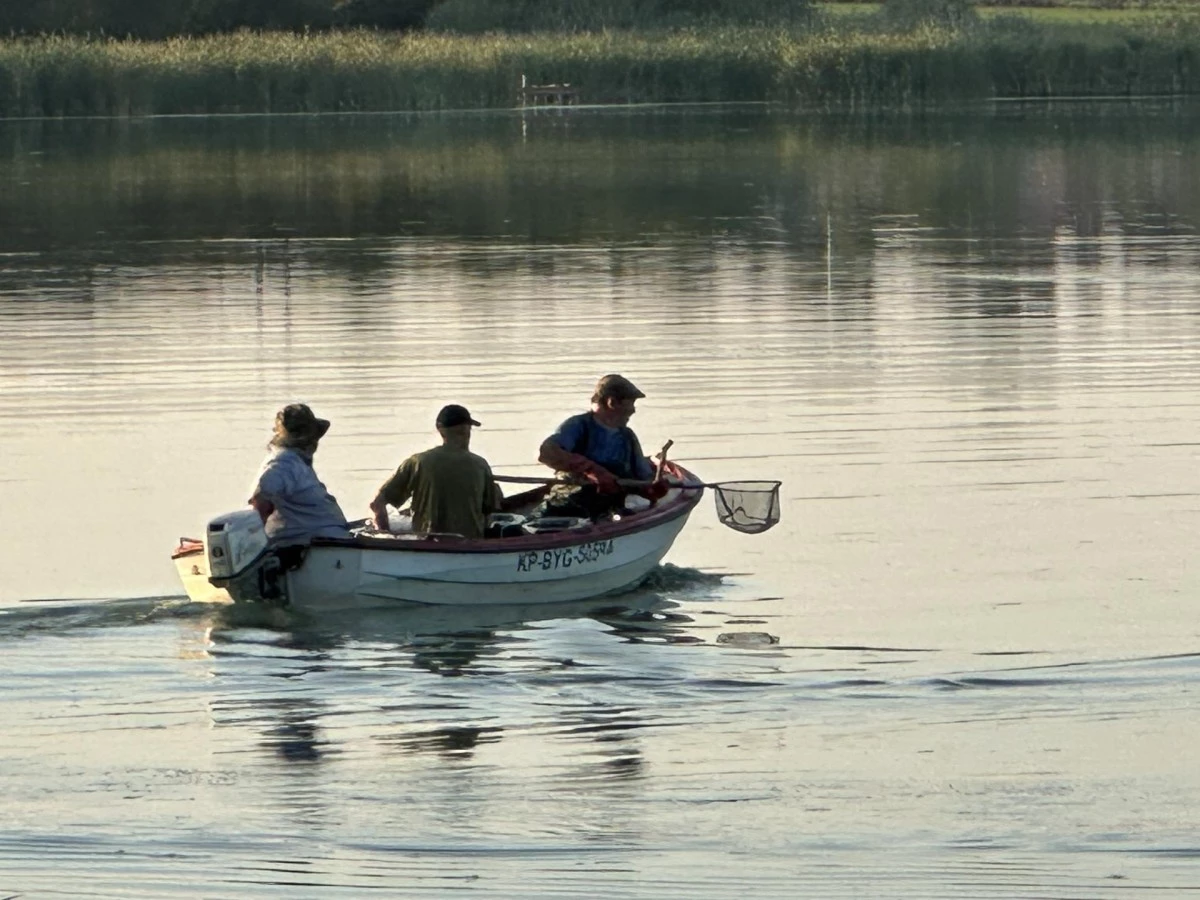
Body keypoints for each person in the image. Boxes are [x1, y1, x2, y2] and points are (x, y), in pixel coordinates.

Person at [537, 374, 667, 520]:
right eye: (630, 403)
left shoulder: (627, 437)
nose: (633, 410)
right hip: (567, 506)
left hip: (609, 510)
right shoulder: (578, 426)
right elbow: (547, 453)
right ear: (612, 402)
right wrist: (591, 470)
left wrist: (654, 488)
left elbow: (644, 480)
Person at [369, 404, 501, 540]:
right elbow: (489, 512)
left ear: (440, 430)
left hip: (425, 543)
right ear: (468, 430)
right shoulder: (481, 465)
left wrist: (386, 536)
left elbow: (376, 504)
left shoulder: (417, 462)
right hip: (468, 545)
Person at [249, 403, 350, 546]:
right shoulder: (283, 463)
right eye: (310, 437)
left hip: (327, 541)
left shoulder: (297, 460)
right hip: (307, 546)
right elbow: (261, 501)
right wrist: (254, 543)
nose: (314, 442)